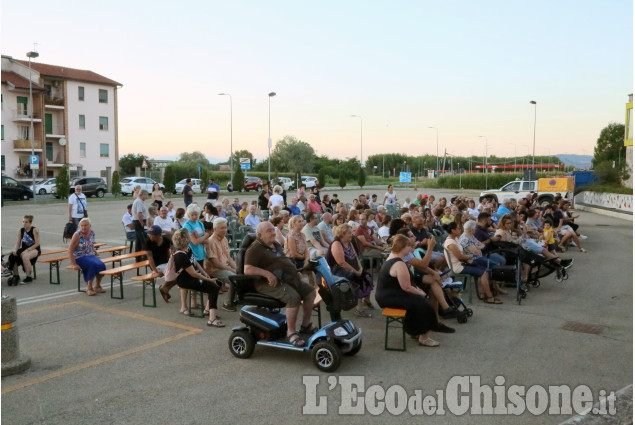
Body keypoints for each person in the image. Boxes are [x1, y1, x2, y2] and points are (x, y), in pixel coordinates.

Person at [244, 222, 317, 347]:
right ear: (260, 235)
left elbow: (283, 260)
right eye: (269, 231)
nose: (273, 232)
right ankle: (291, 333)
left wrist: (294, 272)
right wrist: (267, 274)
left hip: (287, 278)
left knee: (310, 292)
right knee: (293, 297)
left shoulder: (275, 244)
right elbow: (247, 269)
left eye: (273, 229)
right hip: (268, 283)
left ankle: (305, 325)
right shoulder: (254, 249)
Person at [375, 235, 440, 346]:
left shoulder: (395, 258)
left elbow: (407, 284)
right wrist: (420, 293)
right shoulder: (399, 263)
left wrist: (418, 290)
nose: (411, 248)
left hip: (389, 295)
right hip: (388, 298)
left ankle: (416, 331)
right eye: (409, 246)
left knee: (418, 301)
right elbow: (406, 287)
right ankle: (424, 338)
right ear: (402, 247)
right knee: (425, 305)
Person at [171, 228, 223, 327]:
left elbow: (195, 262)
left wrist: (205, 274)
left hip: (193, 276)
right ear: (185, 239)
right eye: (189, 236)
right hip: (185, 280)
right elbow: (193, 274)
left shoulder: (188, 248)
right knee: (213, 288)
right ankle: (212, 319)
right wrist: (208, 279)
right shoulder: (180, 256)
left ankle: (207, 310)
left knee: (218, 282)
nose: (191, 237)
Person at [443, 222, 501, 304]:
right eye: (458, 228)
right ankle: (489, 297)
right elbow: (460, 257)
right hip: (459, 267)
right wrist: (469, 257)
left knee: (484, 270)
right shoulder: (450, 243)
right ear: (453, 230)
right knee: (483, 272)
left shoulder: (455, 239)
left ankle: (483, 294)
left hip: (463, 263)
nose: (461, 230)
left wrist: (467, 258)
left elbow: (462, 255)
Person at [326, 224, 375, 318]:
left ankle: (367, 300)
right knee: (358, 280)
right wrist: (356, 272)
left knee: (367, 276)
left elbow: (356, 256)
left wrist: (360, 268)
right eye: (349, 233)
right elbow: (341, 263)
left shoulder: (349, 242)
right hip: (337, 271)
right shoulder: (337, 243)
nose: (352, 235)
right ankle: (359, 309)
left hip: (350, 268)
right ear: (342, 234)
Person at [69, 218, 106, 296]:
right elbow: (70, 250)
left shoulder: (92, 233)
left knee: (101, 265)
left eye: (85, 225)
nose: (83, 227)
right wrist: (74, 264)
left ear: (90, 226)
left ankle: (97, 285)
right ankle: (89, 288)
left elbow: (91, 244)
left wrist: (94, 251)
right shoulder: (77, 235)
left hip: (90, 255)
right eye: (81, 226)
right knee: (92, 265)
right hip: (79, 257)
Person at [204, 217, 237, 299]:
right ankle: (229, 302)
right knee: (235, 279)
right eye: (222, 228)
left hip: (223, 267)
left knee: (242, 274)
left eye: (225, 227)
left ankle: (237, 298)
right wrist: (231, 269)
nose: (224, 230)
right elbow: (215, 263)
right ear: (215, 229)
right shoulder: (211, 241)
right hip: (214, 270)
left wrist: (236, 268)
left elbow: (228, 258)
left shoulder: (224, 239)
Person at [6, 215, 41, 285]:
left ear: (30, 223)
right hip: (24, 249)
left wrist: (28, 250)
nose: (24, 223)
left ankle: (29, 277)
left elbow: (37, 243)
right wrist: (15, 250)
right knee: (12, 256)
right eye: (23, 222)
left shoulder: (34, 230)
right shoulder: (20, 230)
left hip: (34, 249)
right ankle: (16, 276)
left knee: (25, 256)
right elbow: (18, 242)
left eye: (26, 222)